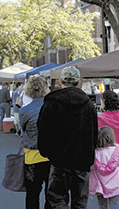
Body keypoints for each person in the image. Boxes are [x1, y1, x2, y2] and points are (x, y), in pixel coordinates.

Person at [38, 66, 98, 208]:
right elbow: (94, 134)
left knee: (57, 200)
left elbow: (43, 132)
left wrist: (48, 154)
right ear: (78, 82)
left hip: (60, 162)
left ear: (60, 81)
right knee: (79, 202)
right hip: (82, 163)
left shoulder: (51, 103)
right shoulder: (88, 105)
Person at [19, 76, 51, 209]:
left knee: (32, 195)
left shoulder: (24, 110)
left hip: (31, 157)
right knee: (51, 194)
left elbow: (23, 129)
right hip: (51, 156)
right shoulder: (52, 107)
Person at [89, 126, 119, 209]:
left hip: (99, 186)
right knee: (115, 205)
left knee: (102, 206)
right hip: (115, 185)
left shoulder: (95, 152)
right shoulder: (118, 150)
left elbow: (90, 167)